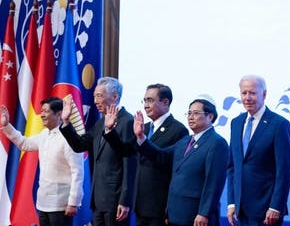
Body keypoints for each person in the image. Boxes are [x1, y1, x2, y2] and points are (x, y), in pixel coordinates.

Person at [132, 97, 228, 226]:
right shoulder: (185, 141)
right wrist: (141, 137)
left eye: (196, 113)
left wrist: (204, 213)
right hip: (175, 214)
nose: (190, 117)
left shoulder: (217, 143)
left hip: (196, 216)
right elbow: (161, 156)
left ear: (210, 116)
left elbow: (214, 182)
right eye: (189, 113)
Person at [102, 84, 189, 226]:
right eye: (144, 101)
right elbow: (126, 151)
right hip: (140, 203)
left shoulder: (178, 130)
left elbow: (165, 160)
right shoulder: (145, 127)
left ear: (165, 102)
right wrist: (110, 130)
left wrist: (141, 138)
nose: (146, 105)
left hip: (160, 205)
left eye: (150, 100)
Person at [60, 77, 137, 226]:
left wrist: (125, 200)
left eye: (99, 96)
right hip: (98, 199)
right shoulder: (101, 122)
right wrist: (66, 122)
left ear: (115, 97)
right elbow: (79, 145)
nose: (95, 101)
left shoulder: (128, 121)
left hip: (116, 200)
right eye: (95, 96)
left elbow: (129, 163)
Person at [0, 98, 83, 226]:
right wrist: (6, 126)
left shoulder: (70, 138)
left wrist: (73, 202)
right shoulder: (44, 134)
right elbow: (24, 143)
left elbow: (77, 172)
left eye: (46, 111)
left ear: (59, 114)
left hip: (61, 205)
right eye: (41, 111)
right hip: (43, 203)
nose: (42, 115)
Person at [227, 75, 290, 226]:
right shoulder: (236, 123)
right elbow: (233, 167)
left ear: (264, 94)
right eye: (244, 93)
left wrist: (276, 206)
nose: (247, 97)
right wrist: (232, 203)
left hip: (266, 211)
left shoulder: (279, 124)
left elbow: (284, 170)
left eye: (252, 93)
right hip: (240, 210)